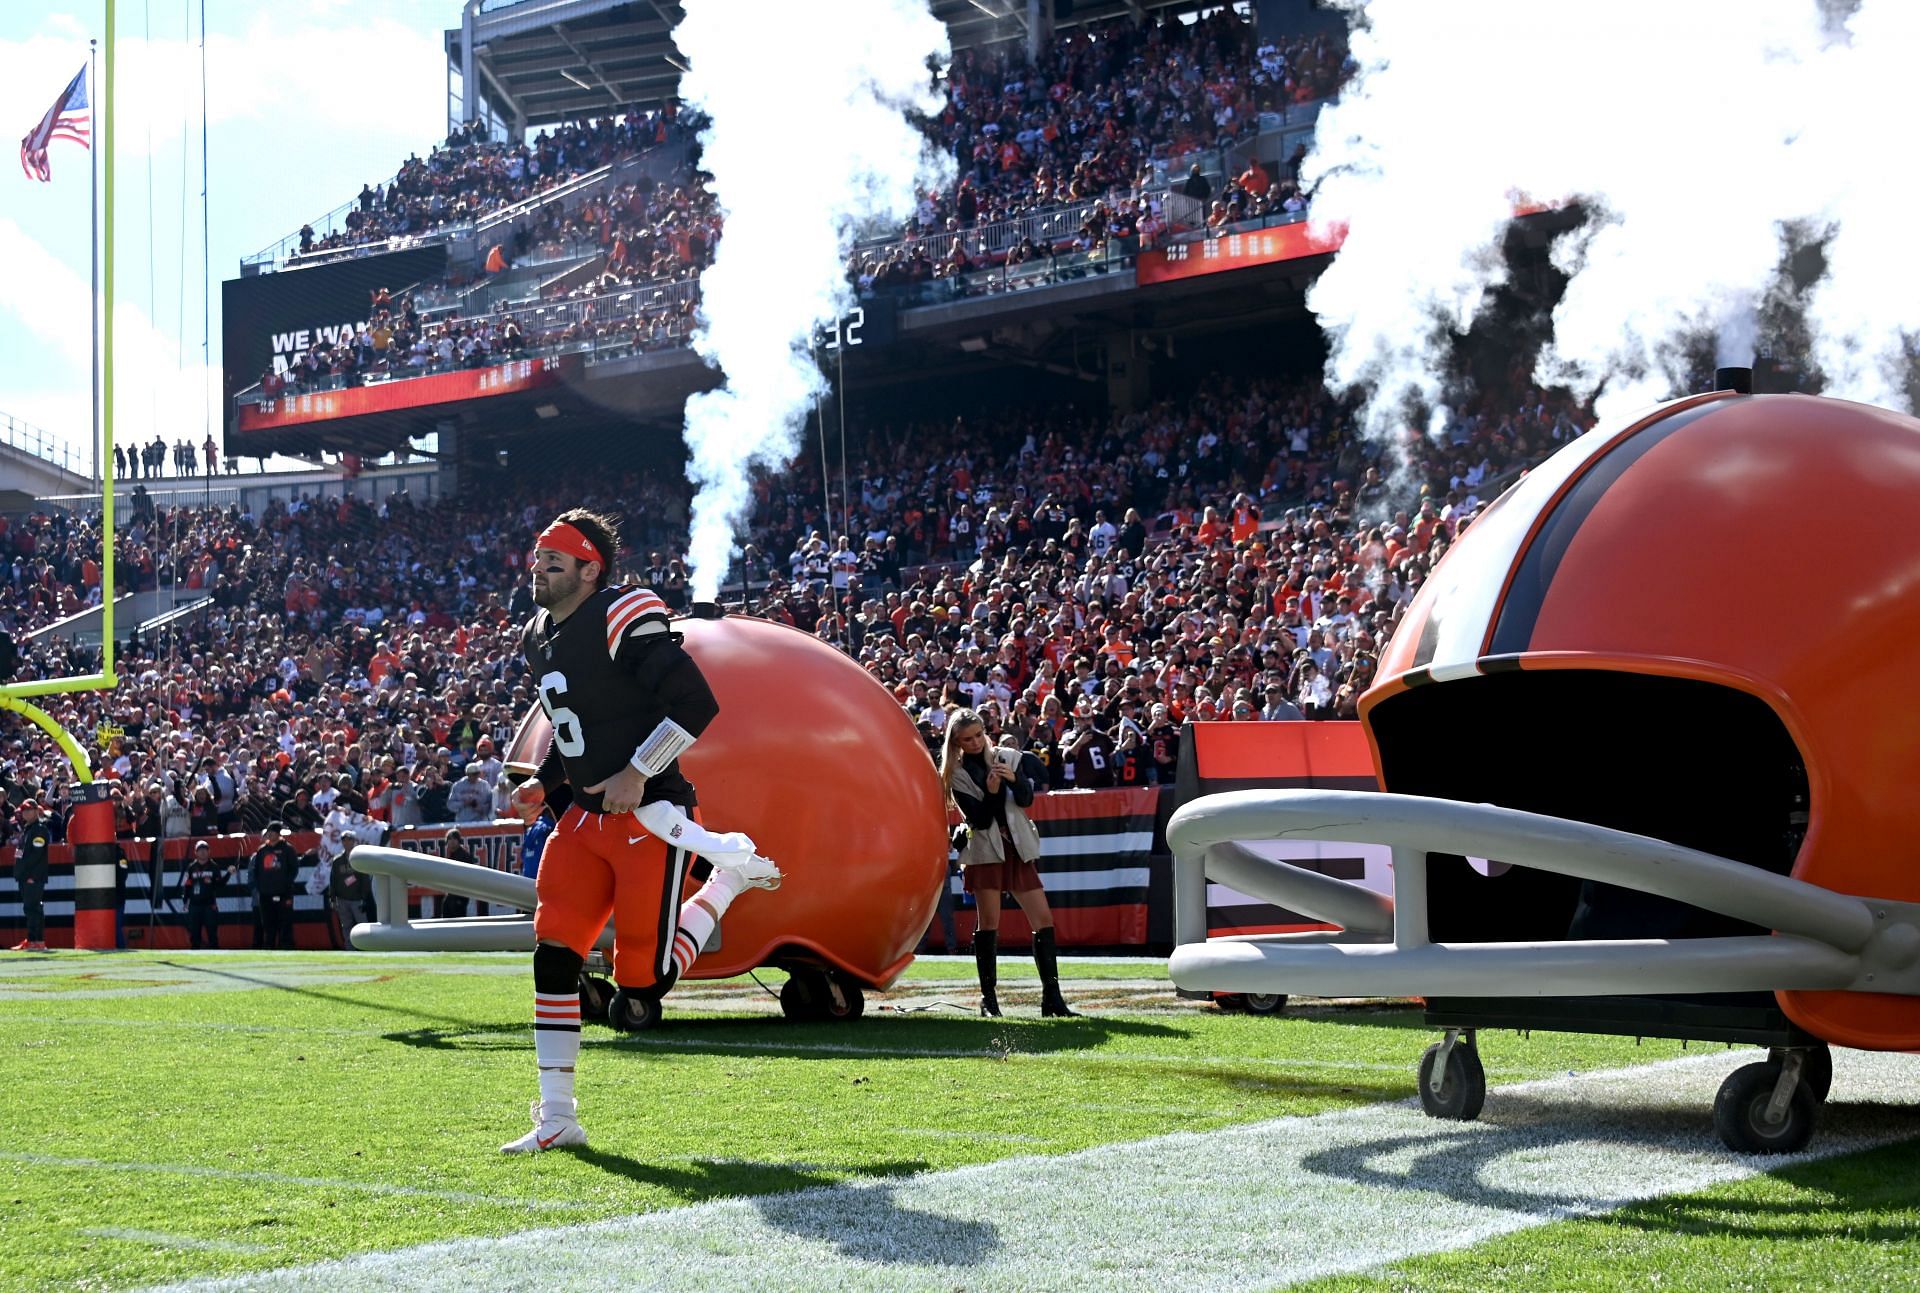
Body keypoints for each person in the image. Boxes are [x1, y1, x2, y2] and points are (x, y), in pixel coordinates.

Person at [501, 508, 783, 1154]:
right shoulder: (537, 636)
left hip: (648, 817)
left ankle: (724, 883)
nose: (536, 569)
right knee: (553, 955)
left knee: (644, 981)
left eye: (553, 561)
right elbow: (578, 723)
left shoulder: (620, 616)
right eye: (536, 557)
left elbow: (695, 703)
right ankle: (556, 1115)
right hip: (582, 818)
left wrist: (637, 769)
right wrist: (546, 780)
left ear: (589, 568)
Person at [941, 707, 1075, 1018]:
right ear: (957, 742)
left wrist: (1013, 780)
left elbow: (1027, 799)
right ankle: (989, 1000)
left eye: (978, 736)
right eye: (967, 739)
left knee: (1044, 920)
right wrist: (992, 791)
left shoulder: (1007, 756)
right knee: (989, 924)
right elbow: (980, 819)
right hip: (986, 851)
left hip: (1017, 848)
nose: (974, 743)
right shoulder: (956, 772)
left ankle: (1051, 999)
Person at [7, 800, 52, 951]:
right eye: (23, 811)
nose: (25, 813)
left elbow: (36, 856)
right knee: (30, 908)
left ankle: (36, 940)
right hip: (25, 877)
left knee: (33, 908)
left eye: (28, 810)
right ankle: (34, 939)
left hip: (32, 877)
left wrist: (30, 875)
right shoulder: (27, 830)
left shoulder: (39, 830)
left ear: (35, 811)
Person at [249, 821, 299, 949]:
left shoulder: (288, 849)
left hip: (284, 892)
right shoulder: (262, 851)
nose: (269, 835)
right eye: (268, 832)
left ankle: (286, 945)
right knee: (267, 923)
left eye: (272, 832)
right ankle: (269, 946)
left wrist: (286, 884)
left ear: (278, 833)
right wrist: (260, 887)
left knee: (285, 921)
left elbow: (293, 869)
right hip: (265, 893)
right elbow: (255, 871)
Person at [178, 839, 227, 950]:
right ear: (195, 852)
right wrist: (185, 901)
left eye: (205, 850)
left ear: (209, 851)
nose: (202, 852)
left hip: (210, 905)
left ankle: (215, 958)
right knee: (195, 935)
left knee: (212, 934)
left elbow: (220, 884)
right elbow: (186, 885)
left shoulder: (214, 867)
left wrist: (228, 874)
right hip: (194, 905)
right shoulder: (191, 867)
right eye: (200, 850)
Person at [329, 831, 372, 949]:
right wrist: (332, 898)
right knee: (346, 926)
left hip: (357, 899)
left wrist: (364, 898)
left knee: (362, 925)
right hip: (342, 899)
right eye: (344, 840)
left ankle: (367, 947)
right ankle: (350, 948)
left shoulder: (360, 858)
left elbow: (365, 880)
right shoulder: (337, 861)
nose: (346, 842)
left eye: (349, 840)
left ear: (354, 841)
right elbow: (333, 880)